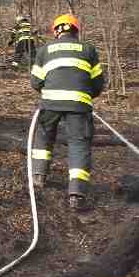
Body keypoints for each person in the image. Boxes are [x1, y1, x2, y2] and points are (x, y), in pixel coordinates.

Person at [29, 13, 105, 212]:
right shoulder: (89, 50)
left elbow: (35, 82)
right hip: (79, 105)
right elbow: (98, 83)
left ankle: (38, 176)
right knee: (79, 145)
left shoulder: (45, 50)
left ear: (56, 31)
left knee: (44, 138)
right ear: (76, 31)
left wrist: (51, 92)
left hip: (50, 103)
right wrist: (84, 96)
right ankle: (76, 193)